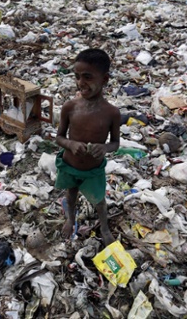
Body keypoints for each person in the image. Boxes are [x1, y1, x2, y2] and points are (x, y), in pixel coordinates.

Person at [55, 48, 120, 247]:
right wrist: (71, 144)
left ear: (105, 79)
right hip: (70, 164)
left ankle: (104, 227)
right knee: (71, 194)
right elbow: (58, 138)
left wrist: (104, 148)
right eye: (77, 77)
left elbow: (115, 143)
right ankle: (70, 219)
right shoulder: (70, 107)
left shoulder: (111, 113)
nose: (81, 83)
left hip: (93, 170)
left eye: (88, 77)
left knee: (99, 201)